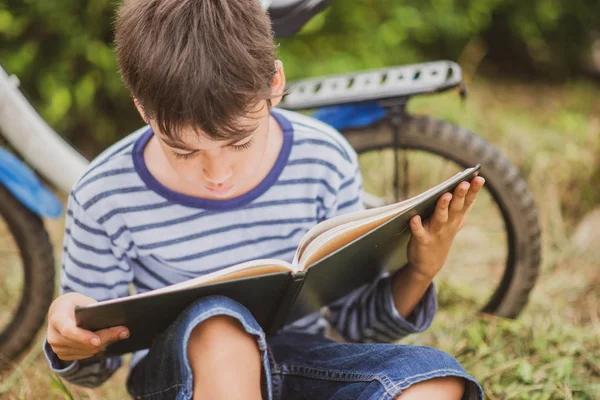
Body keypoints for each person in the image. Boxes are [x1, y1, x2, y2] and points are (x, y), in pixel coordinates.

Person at [44, 1, 485, 399]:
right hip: (188, 373)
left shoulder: (324, 158)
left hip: (304, 362)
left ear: (274, 84)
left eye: (239, 142)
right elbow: (94, 371)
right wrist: (70, 339)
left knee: (435, 380)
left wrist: (421, 269)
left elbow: (357, 325)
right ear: (143, 109)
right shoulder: (104, 191)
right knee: (218, 324)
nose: (218, 175)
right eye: (184, 151)